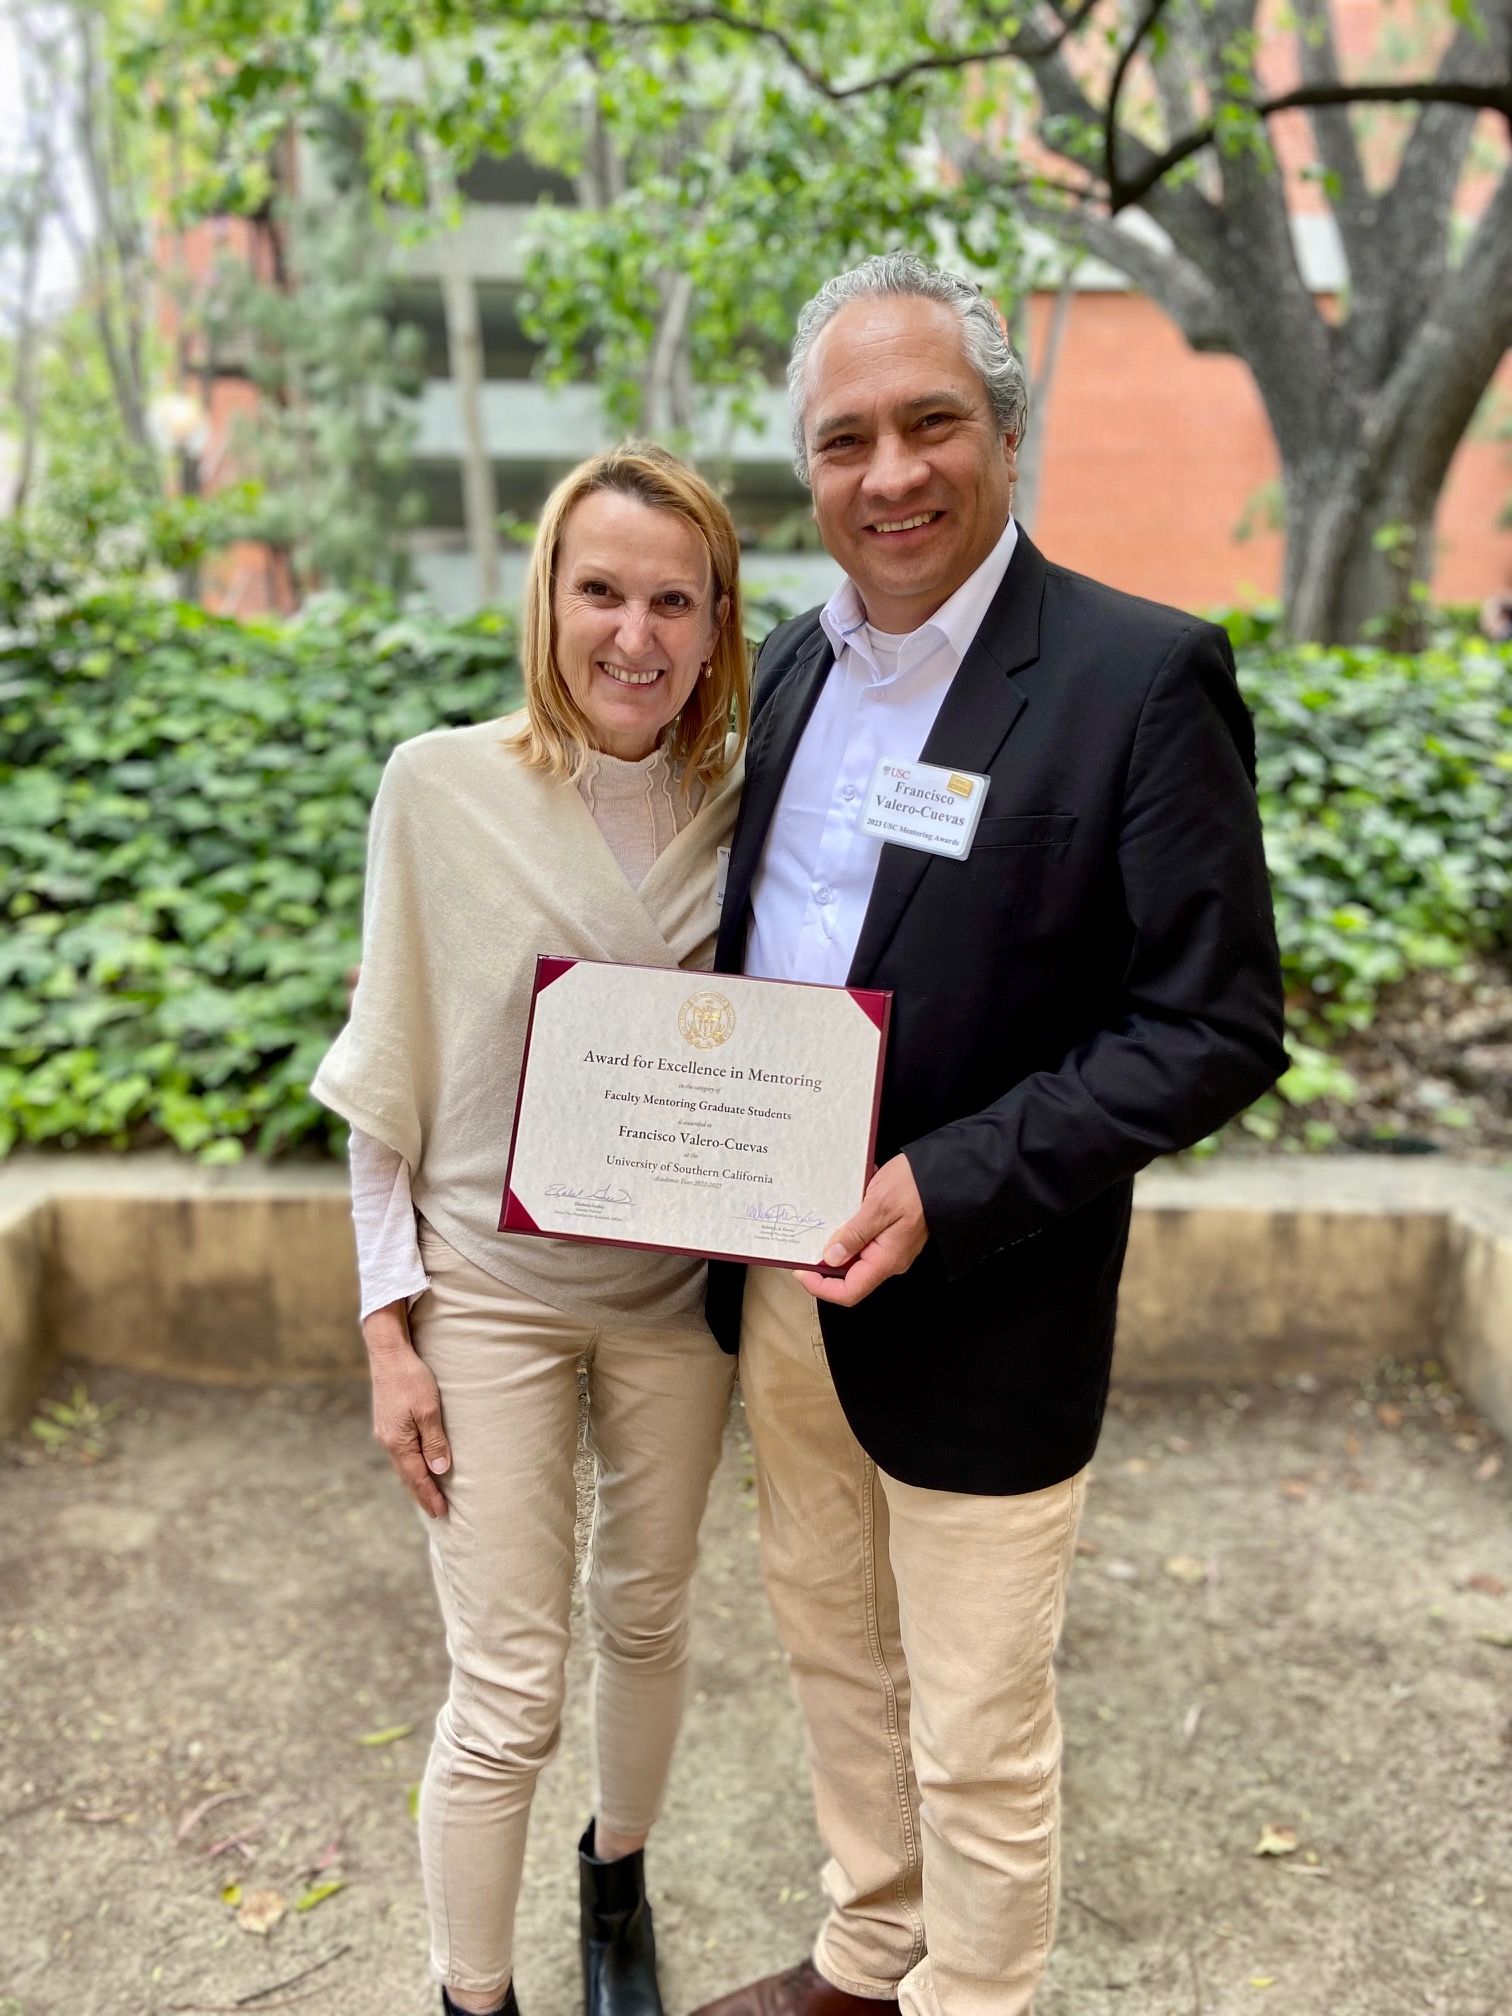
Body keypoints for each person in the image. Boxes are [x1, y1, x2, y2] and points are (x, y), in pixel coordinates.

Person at [693, 253, 1289, 2016]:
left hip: (987, 1292)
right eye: (844, 439)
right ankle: (869, 1958)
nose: (890, 474)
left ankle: (973, 1998)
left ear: (1006, 434)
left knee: (973, 1723)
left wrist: (951, 1184)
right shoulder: (791, 667)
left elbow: (1215, 1024)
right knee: (831, 1662)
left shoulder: (1137, 674)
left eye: (930, 422)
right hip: (779, 1275)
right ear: (809, 470)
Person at [312, 444, 748, 2016]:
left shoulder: (749, 807)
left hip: (673, 1297)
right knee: (502, 1688)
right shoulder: (439, 788)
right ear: (547, 600)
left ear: (715, 626)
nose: (634, 635)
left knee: (647, 1609)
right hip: (483, 1292)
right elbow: (386, 1084)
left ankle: (614, 1883)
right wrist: (389, 1334)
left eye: (672, 602)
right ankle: (469, 1995)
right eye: (602, 592)